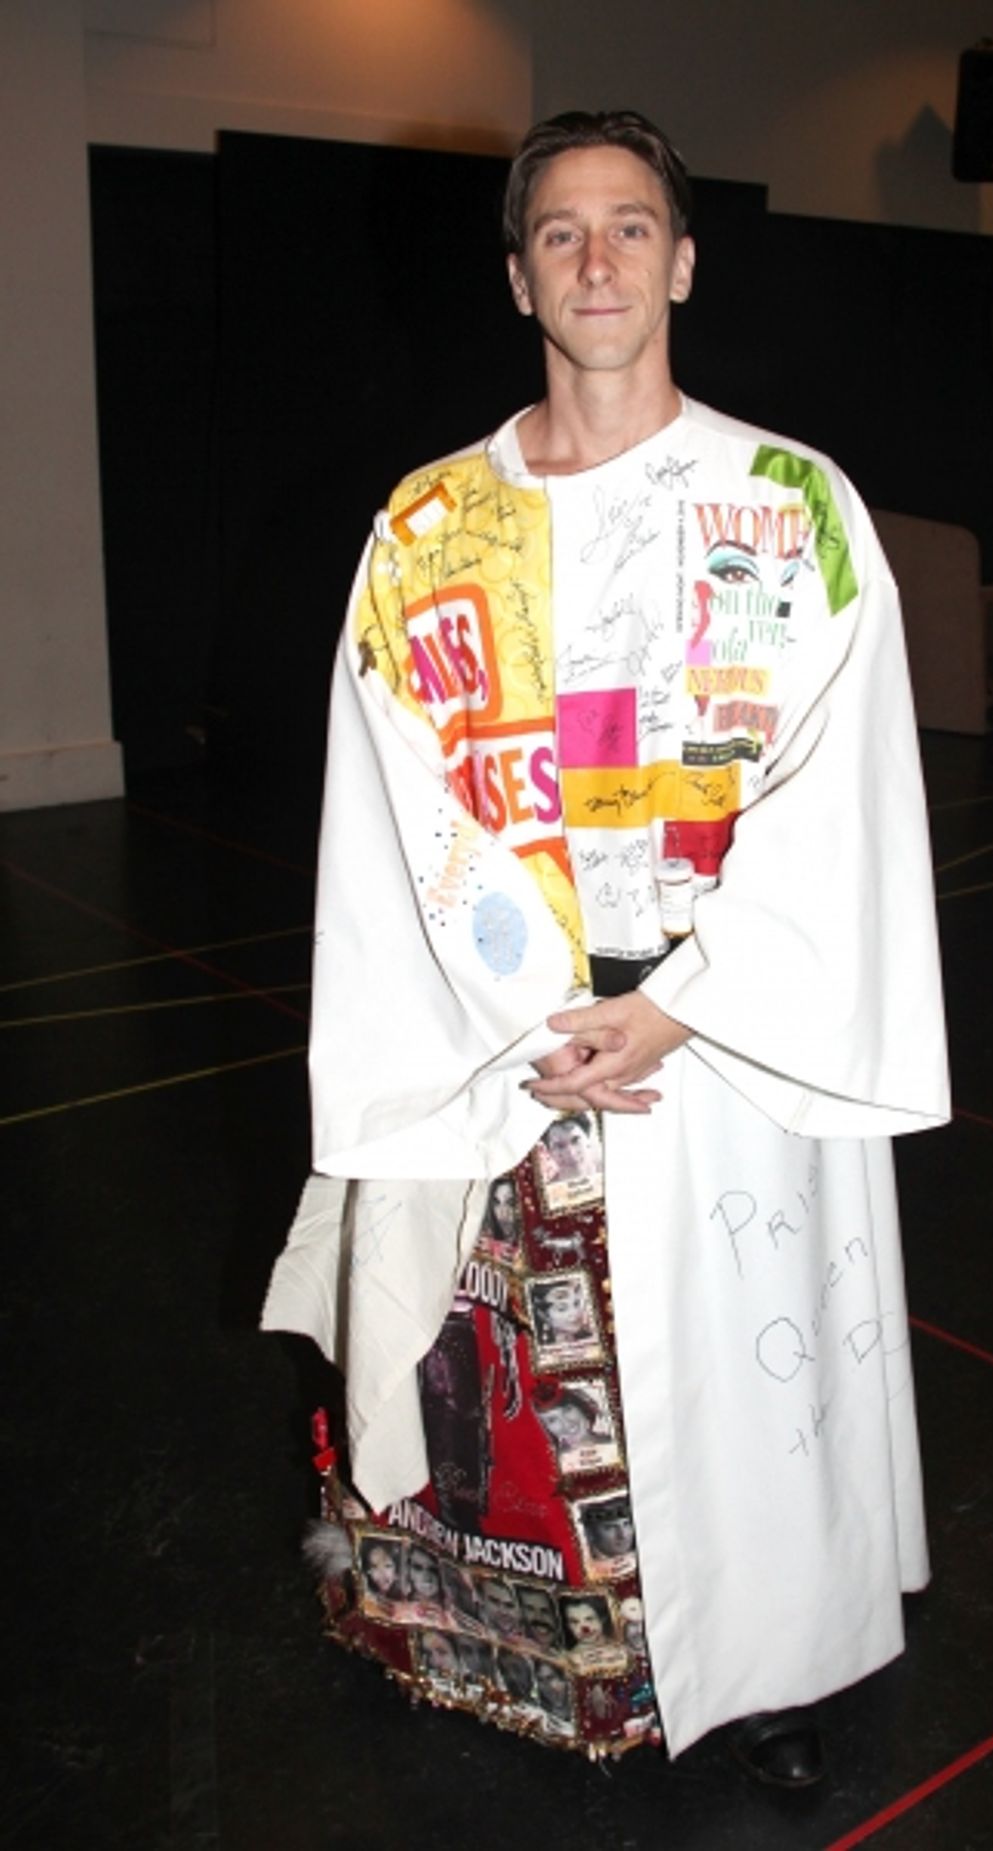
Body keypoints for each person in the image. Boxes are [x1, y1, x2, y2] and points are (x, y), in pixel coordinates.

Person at [263, 107, 948, 1784]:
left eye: (630, 227)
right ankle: (520, 1666)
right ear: (516, 276)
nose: (597, 261)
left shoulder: (787, 504)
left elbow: (835, 786)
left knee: (731, 1376)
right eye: (560, 233)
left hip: (721, 1039)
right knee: (523, 1369)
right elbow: (400, 790)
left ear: (685, 259)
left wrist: (684, 1009)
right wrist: (540, 1010)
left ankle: (767, 1671)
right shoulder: (428, 530)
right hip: (508, 1030)